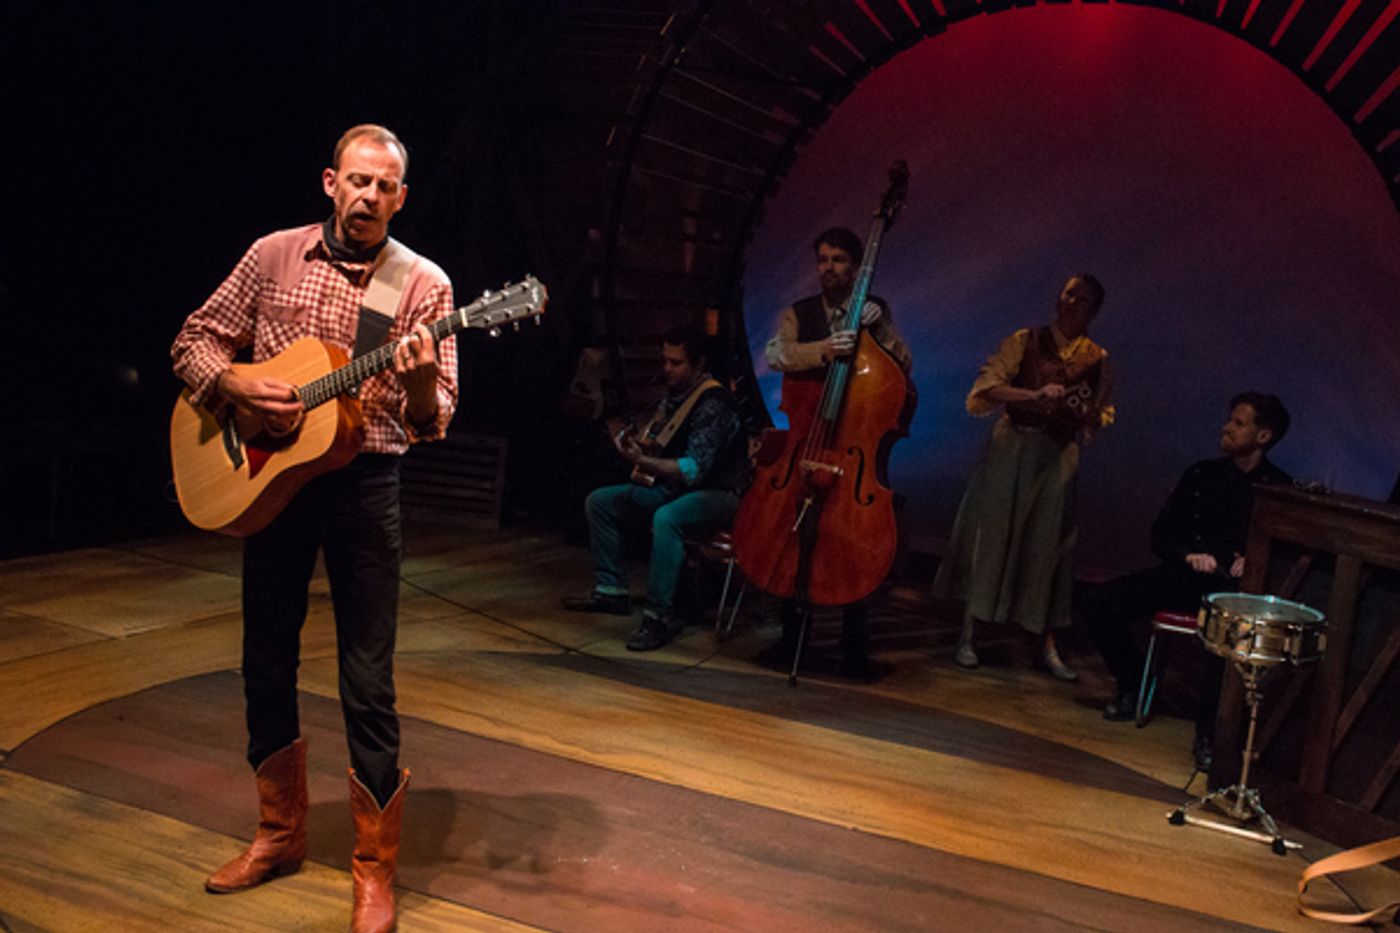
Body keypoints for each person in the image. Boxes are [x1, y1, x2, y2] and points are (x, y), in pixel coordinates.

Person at [171, 124, 457, 933]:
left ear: (401, 197)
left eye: (385, 187)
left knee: (368, 679)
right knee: (265, 656)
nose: (368, 196)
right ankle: (278, 834)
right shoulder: (273, 255)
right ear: (331, 181)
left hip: (367, 488)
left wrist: (425, 381)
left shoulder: (424, 285)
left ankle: (374, 870)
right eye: (357, 180)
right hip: (276, 485)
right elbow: (193, 340)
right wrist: (237, 384)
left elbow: (433, 423)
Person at [1081, 393, 1291, 769]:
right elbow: (1162, 533)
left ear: (1263, 436)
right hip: (1184, 577)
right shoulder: (1202, 474)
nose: (1227, 428)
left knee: (1224, 643)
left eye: (1239, 423)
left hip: (1231, 595)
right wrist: (1187, 555)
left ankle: (1209, 735)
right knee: (1099, 601)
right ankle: (1132, 684)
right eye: (1230, 420)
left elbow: (1285, 553)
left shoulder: (1278, 490)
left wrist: (1253, 561)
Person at [933, 274, 1112, 681]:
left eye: (1081, 300)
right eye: (1067, 294)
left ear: (1093, 310)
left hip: (1056, 458)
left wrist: (1090, 422)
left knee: (1048, 545)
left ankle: (1044, 640)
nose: (1070, 304)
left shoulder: (1098, 358)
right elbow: (988, 387)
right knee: (993, 534)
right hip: (1014, 446)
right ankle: (970, 633)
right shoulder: (1026, 340)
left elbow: (1100, 407)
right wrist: (1032, 395)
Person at [758, 226, 913, 678]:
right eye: (822, 259)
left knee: (854, 544)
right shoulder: (799, 313)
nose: (829, 268)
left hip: (851, 457)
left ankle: (853, 646)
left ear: (855, 264)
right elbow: (776, 355)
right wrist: (824, 350)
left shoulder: (876, 311)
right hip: (806, 448)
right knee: (793, 534)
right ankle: (791, 636)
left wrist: (880, 328)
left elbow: (903, 366)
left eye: (839, 260)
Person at [563, 326, 750, 651]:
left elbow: (694, 469)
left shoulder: (714, 402)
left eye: (675, 363)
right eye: (664, 361)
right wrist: (635, 446)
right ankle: (612, 591)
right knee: (601, 502)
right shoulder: (676, 398)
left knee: (668, 517)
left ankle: (659, 615)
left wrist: (644, 461)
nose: (667, 369)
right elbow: (661, 448)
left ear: (699, 363)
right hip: (678, 488)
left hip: (719, 494)